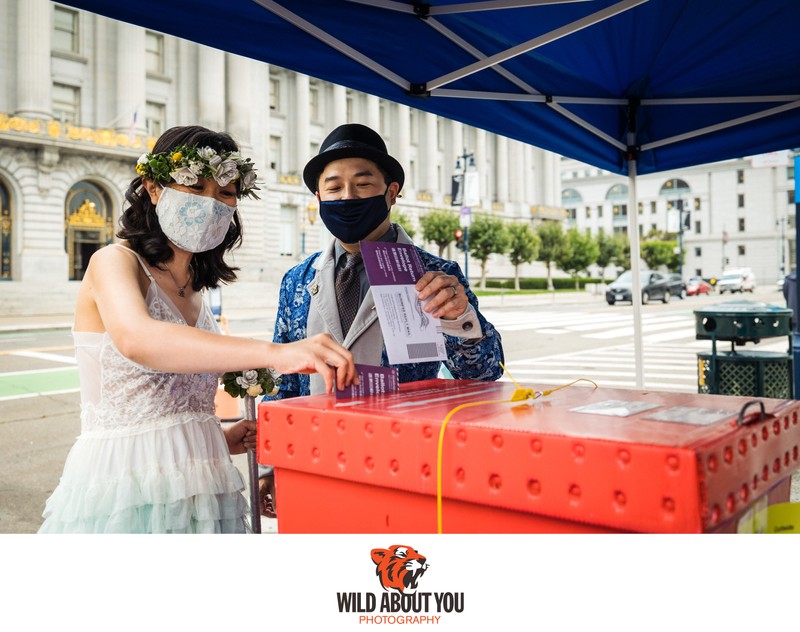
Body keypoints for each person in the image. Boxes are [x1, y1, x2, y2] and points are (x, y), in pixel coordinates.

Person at [39, 125, 356, 534]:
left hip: (200, 486)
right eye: (195, 186)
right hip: (126, 487)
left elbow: (169, 411)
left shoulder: (195, 289)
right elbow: (139, 340)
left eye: (226, 193)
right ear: (154, 189)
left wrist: (219, 436)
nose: (211, 203)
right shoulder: (114, 262)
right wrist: (276, 352)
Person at [258, 123, 504, 513]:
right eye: (334, 187)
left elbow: (484, 373)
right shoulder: (296, 280)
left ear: (391, 192)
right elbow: (283, 381)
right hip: (313, 456)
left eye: (363, 184)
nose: (347, 197)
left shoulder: (435, 275)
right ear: (318, 196)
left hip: (404, 459)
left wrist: (459, 318)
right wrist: (270, 461)